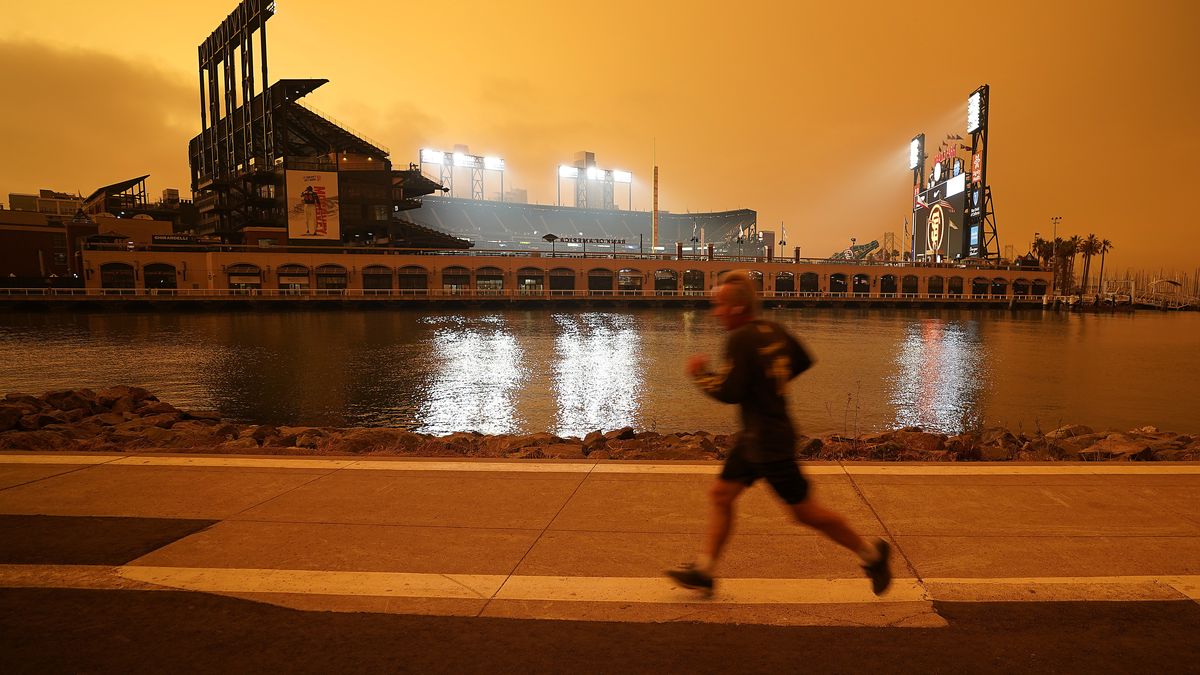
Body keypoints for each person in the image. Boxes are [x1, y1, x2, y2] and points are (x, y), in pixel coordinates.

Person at [666, 271, 892, 595]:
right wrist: (773, 383)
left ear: (734, 308)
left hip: (769, 442)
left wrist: (700, 373)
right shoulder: (773, 329)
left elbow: (730, 391)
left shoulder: (740, 337)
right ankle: (704, 569)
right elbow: (801, 359)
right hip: (755, 437)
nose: (715, 312)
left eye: (718, 306)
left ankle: (872, 555)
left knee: (805, 512)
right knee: (721, 494)